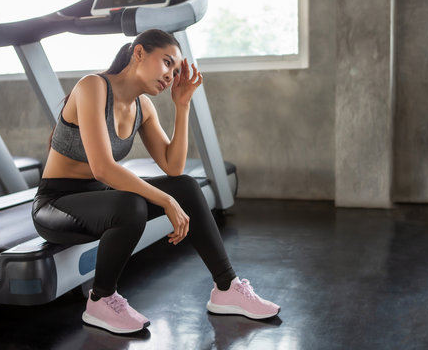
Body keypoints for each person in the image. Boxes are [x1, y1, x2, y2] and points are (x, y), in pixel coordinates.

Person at [31, 29, 280, 334]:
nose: (170, 76)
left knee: (186, 186)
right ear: (138, 53)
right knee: (131, 203)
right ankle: (100, 300)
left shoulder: (143, 108)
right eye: (166, 63)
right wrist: (165, 201)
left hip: (99, 198)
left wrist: (182, 104)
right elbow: (103, 169)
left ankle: (226, 289)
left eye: (175, 71)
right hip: (56, 203)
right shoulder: (93, 87)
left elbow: (173, 167)